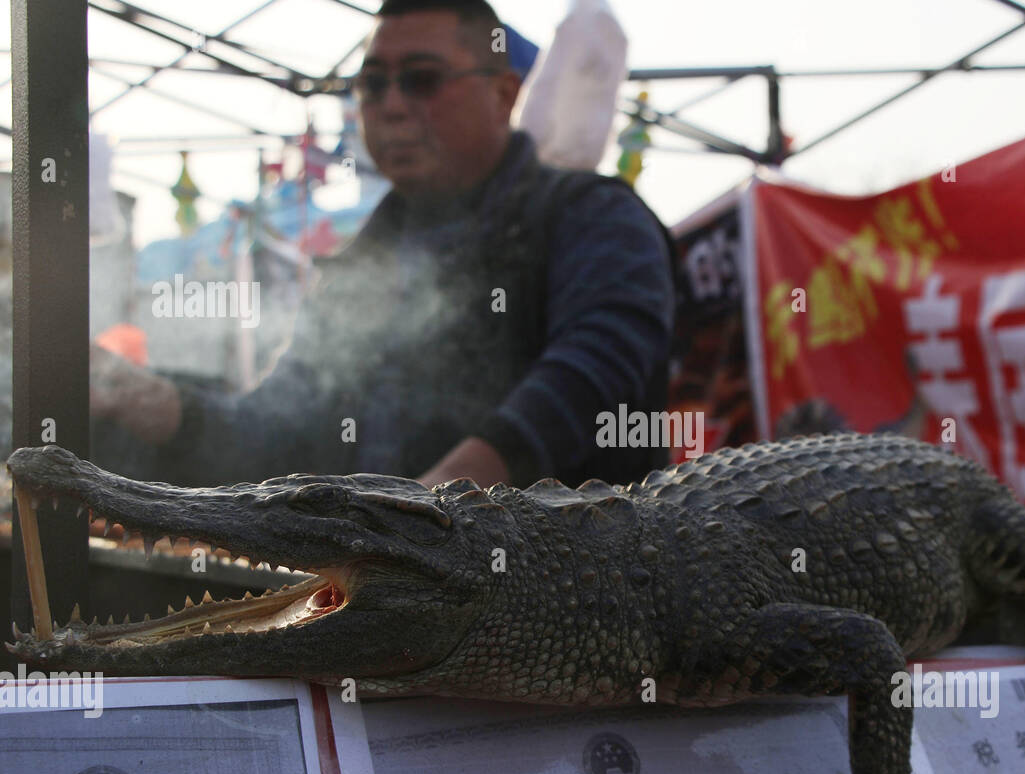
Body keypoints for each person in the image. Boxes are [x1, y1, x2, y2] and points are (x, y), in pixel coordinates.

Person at [91, 0, 675, 490]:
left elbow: (598, 368)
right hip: (396, 605)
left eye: (422, 79)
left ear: (503, 95)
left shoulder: (589, 215)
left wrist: (433, 513)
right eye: (372, 84)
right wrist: (147, 400)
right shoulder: (357, 265)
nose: (391, 104)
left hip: (579, 602)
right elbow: (277, 428)